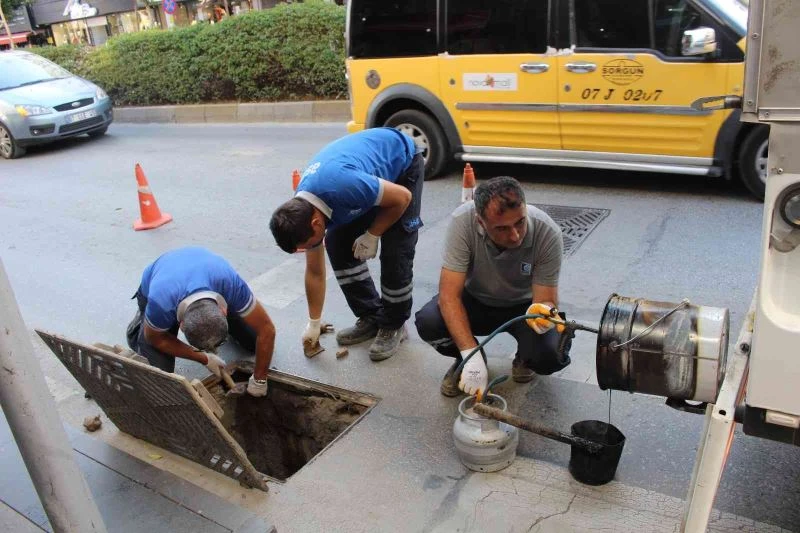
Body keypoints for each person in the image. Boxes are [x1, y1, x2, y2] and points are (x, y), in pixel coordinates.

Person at [269, 127, 423, 361]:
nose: (310, 247)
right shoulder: (302, 210)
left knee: (396, 250)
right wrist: (313, 322)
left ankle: (394, 324)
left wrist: (373, 234)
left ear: (315, 223)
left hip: (402, 166)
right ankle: (372, 315)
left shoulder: (345, 187)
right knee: (337, 243)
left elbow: (402, 197)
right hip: (362, 177)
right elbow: (315, 272)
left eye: (309, 243)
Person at [414, 176, 570, 397]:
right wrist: (471, 356)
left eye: (520, 222)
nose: (515, 235)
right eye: (502, 228)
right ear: (480, 222)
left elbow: (545, 299)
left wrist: (544, 317)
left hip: (524, 307)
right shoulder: (463, 221)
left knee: (551, 355)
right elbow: (449, 296)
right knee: (429, 323)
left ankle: (525, 358)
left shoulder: (547, 232)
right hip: (476, 300)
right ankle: (467, 358)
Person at [126, 246, 276, 397]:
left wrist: (259, 380)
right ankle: (139, 327)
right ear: (181, 326)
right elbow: (156, 339)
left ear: (224, 311)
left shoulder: (229, 283)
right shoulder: (161, 304)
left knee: (253, 341)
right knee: (160, 379)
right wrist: (204, 358)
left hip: (204, 274)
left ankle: (221, 332)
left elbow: (266, 330)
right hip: (158, 286)